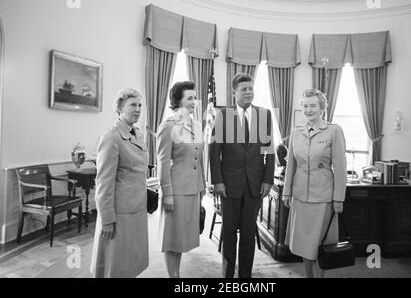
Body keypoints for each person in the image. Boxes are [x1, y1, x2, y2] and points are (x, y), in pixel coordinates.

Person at [209, 73, 275, 278]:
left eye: (251, 89)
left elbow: (268, 151)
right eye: (244, 89)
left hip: (255, 185)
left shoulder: (264, 115)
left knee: (248, 234)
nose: (249, 92)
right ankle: (227, 277)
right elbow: (214, 151)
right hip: (229, 185)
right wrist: (218, 180)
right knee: (229, 233)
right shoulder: (223, 116)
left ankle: (245, 277)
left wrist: (268, 179)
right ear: (234, 92)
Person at [282, 88, 347, 278]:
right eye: (305, 106)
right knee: (304, 244)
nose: (308, 110)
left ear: (322, 108)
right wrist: (287, 192)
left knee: (321, 243)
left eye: (313, 105)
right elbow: (290, 166)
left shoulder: (333, 130)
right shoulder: (296, 132)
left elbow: (340, 168)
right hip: (300, 195)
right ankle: (308, 276)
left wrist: (339, 198)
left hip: (323, 196)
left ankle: (321, 276)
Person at [90, 88, 149, 278]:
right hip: (119, 214)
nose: (138, 109)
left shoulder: (138, 134)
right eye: (133, 104)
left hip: (136, 209)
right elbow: (104, 184)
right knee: (115, 267)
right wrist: (107, 219)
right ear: (120, 108)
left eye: (140, 105)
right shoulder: (112, 137)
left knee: (130, 264)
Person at [157, 81, 205, 278]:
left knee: (181, 238)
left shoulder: (197, 125)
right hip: (175, 191)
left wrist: (202, 188)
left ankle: (177, 274)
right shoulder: (168, 126)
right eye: (190, 98)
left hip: (193, 189)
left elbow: (199, 159)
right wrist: (167, 193)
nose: (194, 101)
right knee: (172, 239)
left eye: (195, 97)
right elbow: (162, 162)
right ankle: (173, 277)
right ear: (178, 101)